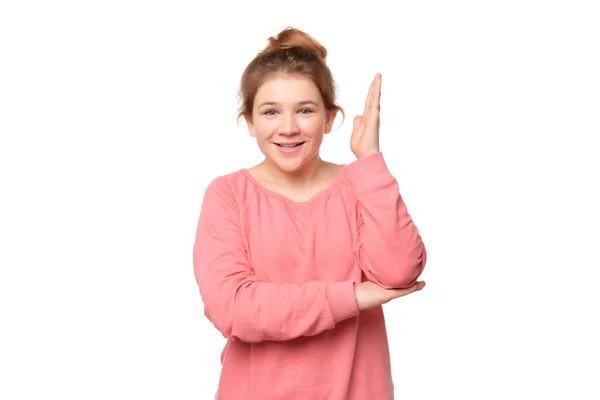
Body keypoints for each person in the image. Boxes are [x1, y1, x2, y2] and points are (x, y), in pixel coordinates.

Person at [193, 26, 428, 400]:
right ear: (251, 122)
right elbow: (234, 309)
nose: (288, 128)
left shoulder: (360, 186)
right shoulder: (228, 196)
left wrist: (369, 160)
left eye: (305, 110)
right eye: (271, 112)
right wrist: (352, 297)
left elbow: (399, 271)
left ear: (331, 118)